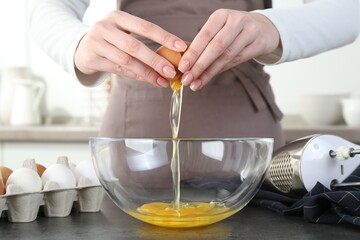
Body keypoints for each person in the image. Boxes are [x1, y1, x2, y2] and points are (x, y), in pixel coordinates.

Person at [30, 0, 359, 150]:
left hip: (246, 141)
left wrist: (273, 27)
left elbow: (350, 9)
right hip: (135, 142)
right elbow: (46, 6)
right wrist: (77, 43)